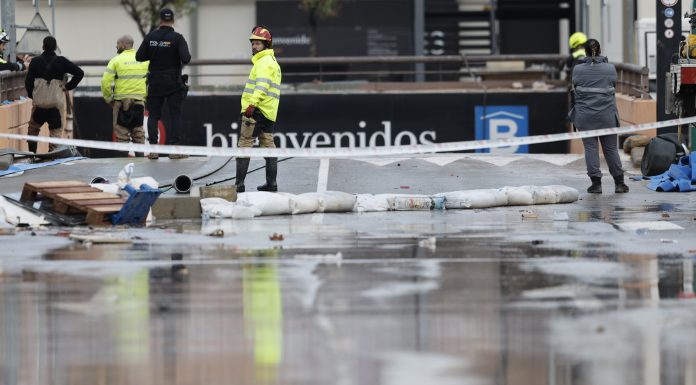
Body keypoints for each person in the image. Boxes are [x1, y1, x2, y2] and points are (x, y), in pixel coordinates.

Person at [569, 39, 629, 194]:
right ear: (600, 50)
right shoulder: (610, 68)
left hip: (585, 116)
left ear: (585, 52)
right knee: (610, 149)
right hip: (607, 115)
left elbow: (575, 85)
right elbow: (613, 84)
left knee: (591, 148)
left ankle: (596, 184)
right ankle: (619, 183)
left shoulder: (577, 69)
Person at [136, 8, 191, 160]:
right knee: (175, 116)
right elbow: (186, 58)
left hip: (155, 82)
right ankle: (174, 150)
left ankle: (153, 150)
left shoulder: (150, 37)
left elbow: (139, 57)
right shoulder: (178, 38)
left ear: (160, 20)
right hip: (173, 83)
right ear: (173, 20)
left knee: (154, 115)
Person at [235, 26, 282, 192]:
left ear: (266, 45)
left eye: (258, 44)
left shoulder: (264, 62)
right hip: (268, 113)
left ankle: (239, 185)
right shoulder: (272, 62)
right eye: (253, 43)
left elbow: (261, 86)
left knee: (244, 145)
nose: (254, 46)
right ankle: (271, 184)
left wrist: (252, 104)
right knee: (269, 148)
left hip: (255, 112)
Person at [25, 36, 83, 153]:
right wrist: (68, 87)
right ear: (56, 47)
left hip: (39, 105)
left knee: (33, 129)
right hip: (56, 105)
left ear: (43, 46)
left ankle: (32, 155)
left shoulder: (35, 62)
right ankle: (52, 157)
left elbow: (28, 82)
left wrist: (34, 96)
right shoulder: (62, 61)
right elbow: (79, 73)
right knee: (55, 134)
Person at [101, 35, 149, 156]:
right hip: (139, 102)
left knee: (121, 136)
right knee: (139, 135)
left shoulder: (116, 60)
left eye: (117, 43)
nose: (116, 46)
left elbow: (105, 82)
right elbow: (151, 79)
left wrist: (109, 99)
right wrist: (145, 97)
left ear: (123, 44)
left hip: (121, 103)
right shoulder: (144, 60)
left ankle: (122, 167)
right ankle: (141, 166)